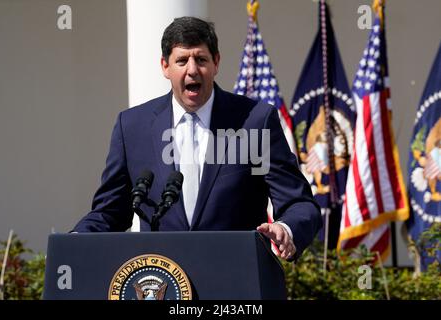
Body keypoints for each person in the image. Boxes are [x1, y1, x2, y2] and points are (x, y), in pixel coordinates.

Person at [73, 16, 322, 261]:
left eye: (201, 59)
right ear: (165, 67)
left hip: (235, 282)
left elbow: (299, 203)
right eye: (182, 60)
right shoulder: (133, 127)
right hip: (163, 281)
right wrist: (75, 240)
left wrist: (287, 228)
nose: (192, 70)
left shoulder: (255, 121)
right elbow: (110, 211)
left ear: (216, 62)